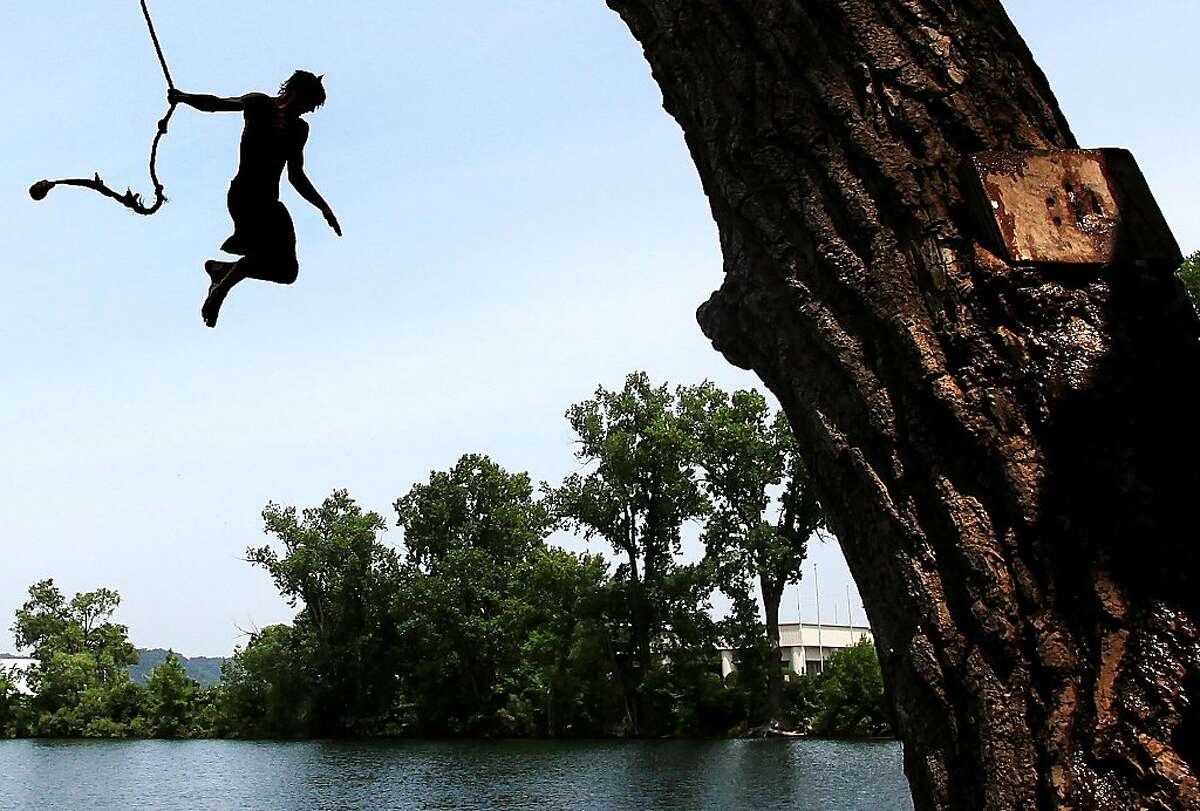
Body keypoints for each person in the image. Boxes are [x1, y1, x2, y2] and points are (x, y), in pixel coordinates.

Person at [168, 70, 340, 327]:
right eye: (307, 104)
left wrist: (323, 207)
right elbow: (216, 104)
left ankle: (222, 272)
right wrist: (183, 98)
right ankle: (221, 287)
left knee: (287, 271)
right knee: (267, 259)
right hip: (245, 198)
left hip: (270, 204)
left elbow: (296, 176)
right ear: (294, 93)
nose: (307, 111)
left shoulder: (299, 129)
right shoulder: (259, 104)